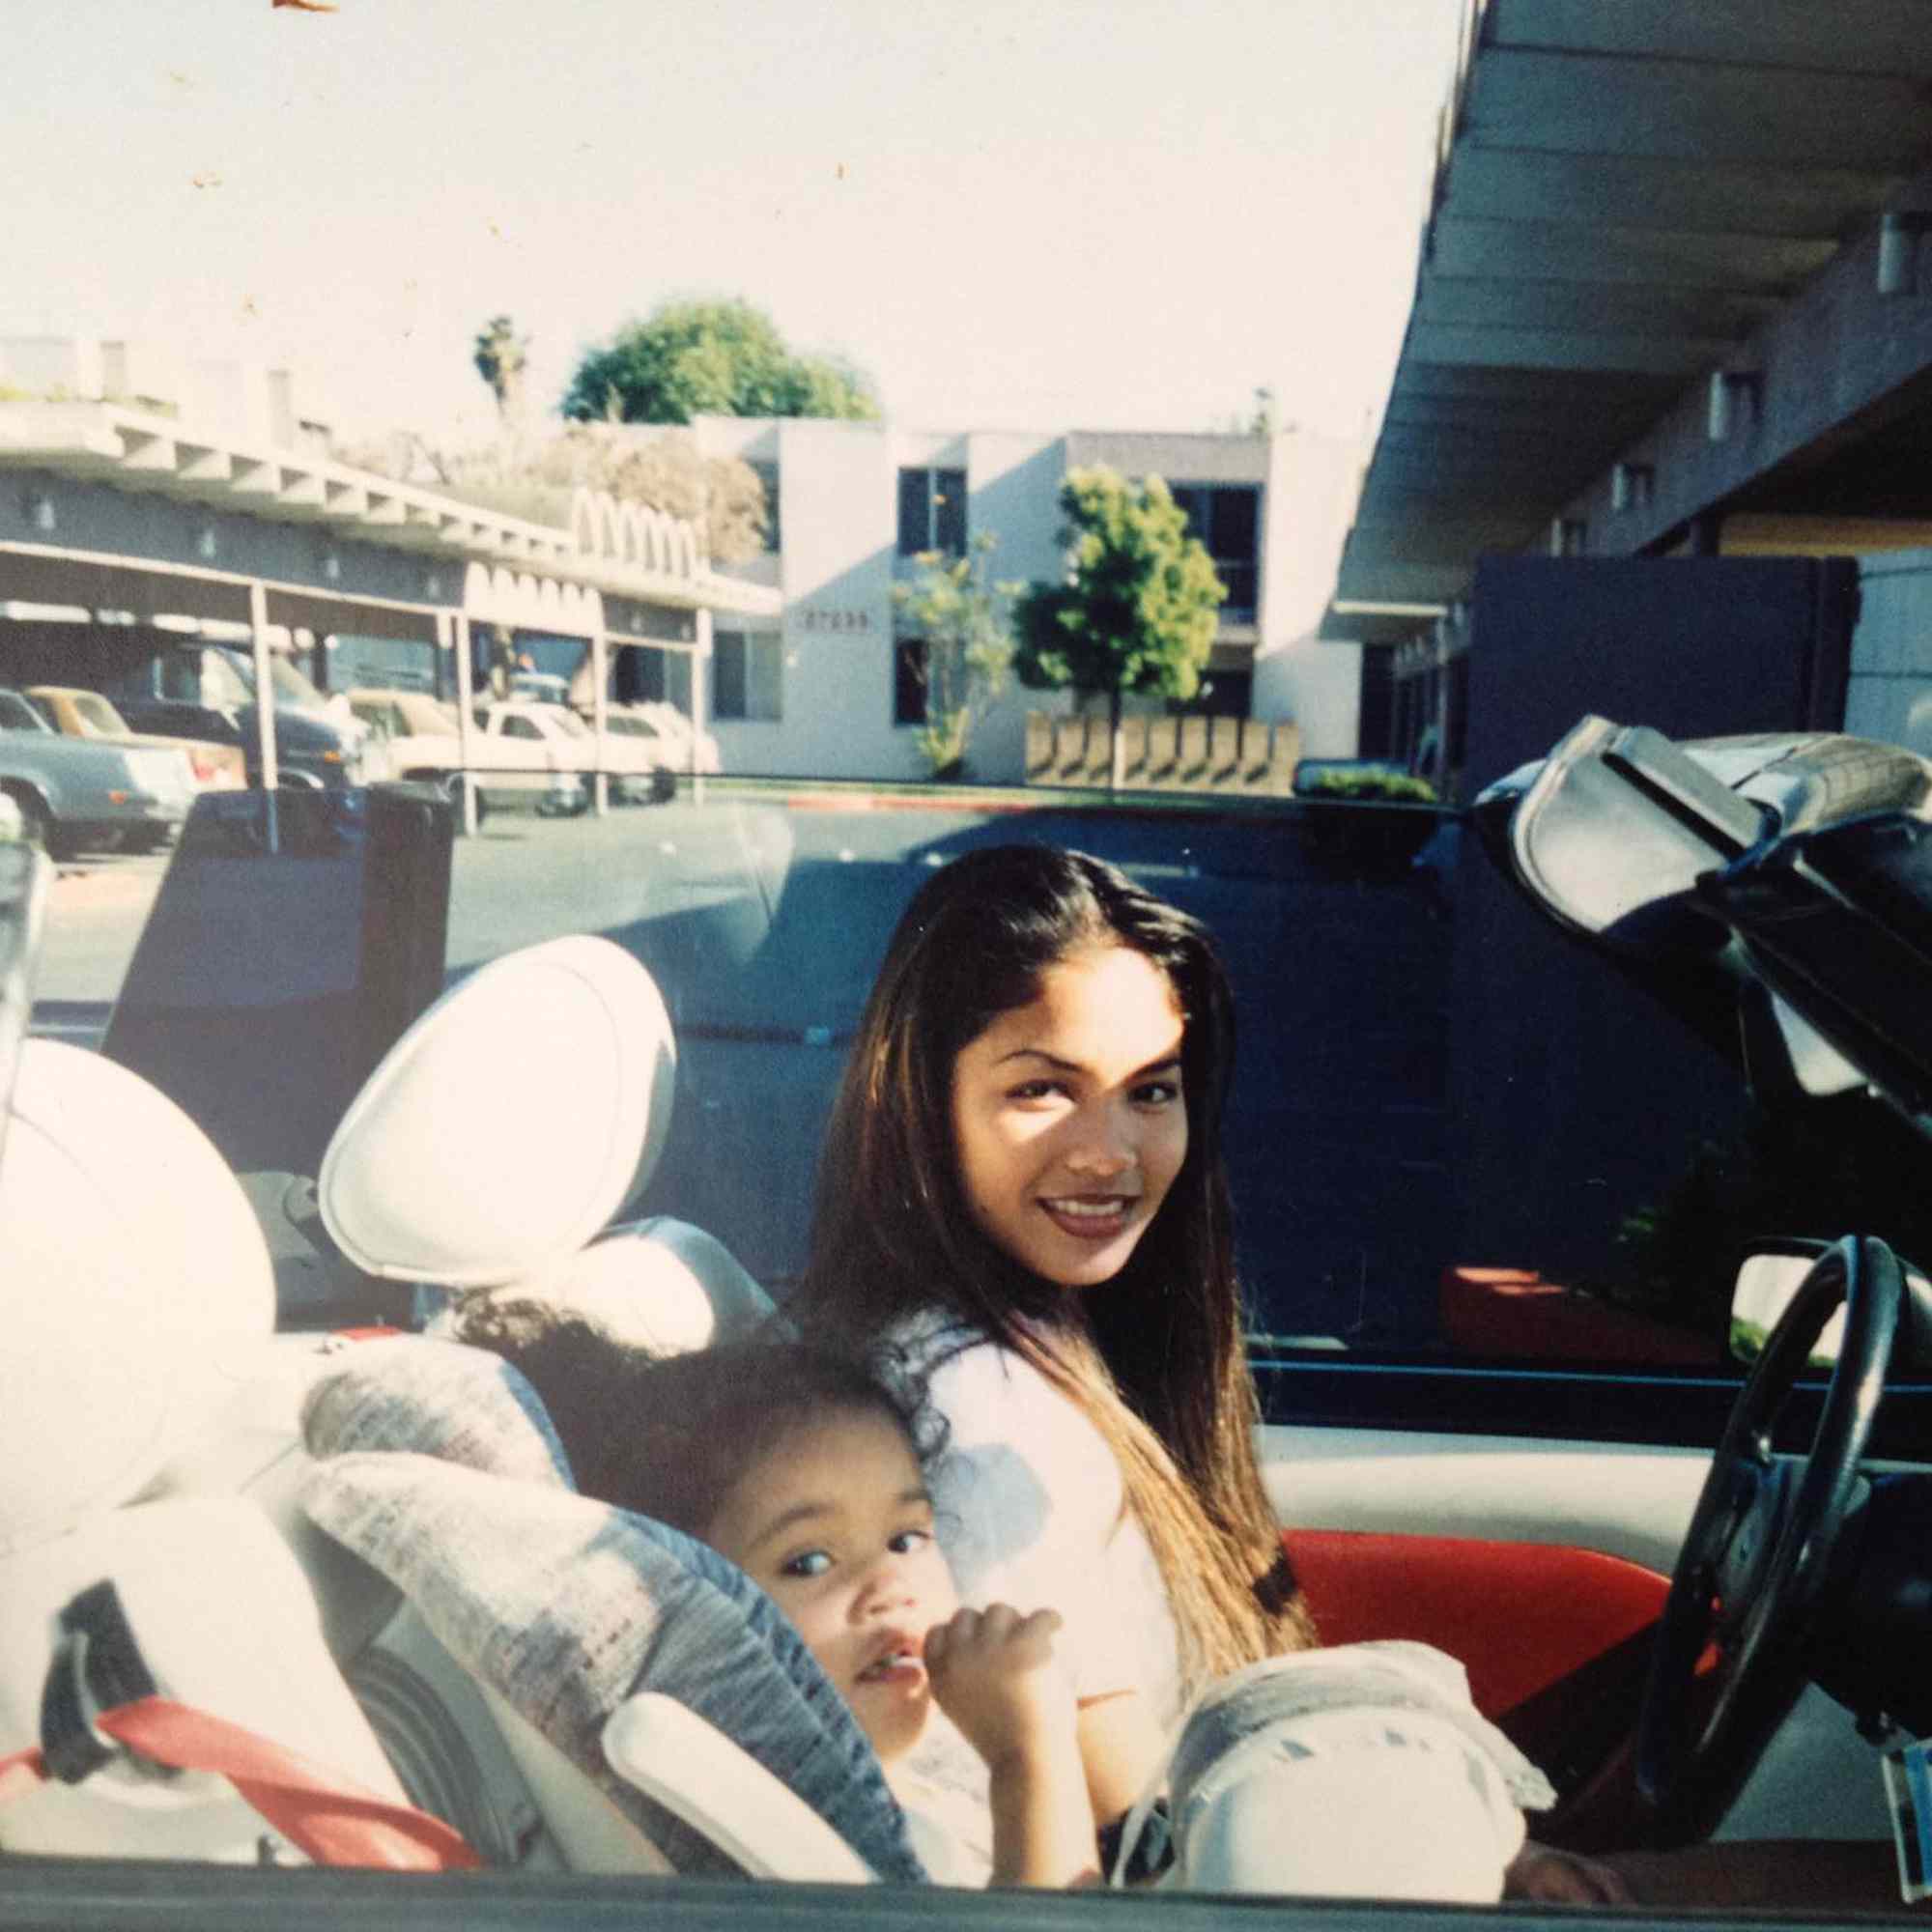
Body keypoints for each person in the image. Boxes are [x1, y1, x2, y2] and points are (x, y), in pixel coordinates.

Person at [791, 842, 1622, 1901]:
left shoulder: (996, 1348)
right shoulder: (982, 1411)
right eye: (1041, 1088)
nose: (1111, 1151)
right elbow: (1139, 1841)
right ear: (919, 1098)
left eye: (1150, 1090)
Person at [453, 1304, 1098, 1889]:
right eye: (809, 1561)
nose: (892, 1589)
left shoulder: (908, 1790)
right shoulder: (790, 1847)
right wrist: (1030, 1757)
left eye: (906, 1538)